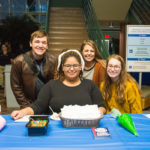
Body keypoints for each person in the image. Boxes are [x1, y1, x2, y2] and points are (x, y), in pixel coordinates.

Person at [11, 49, 106, 120]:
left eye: (75, 65)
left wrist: (96, 115)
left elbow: (101, 106)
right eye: (67, 66)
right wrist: (22, 112)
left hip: (86, 128)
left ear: (80, 67)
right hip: (56, 132)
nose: (72, 69)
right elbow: (37, 106)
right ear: (62, 67)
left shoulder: (90, 85)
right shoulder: (50, 86)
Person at [10, 30, 57, 108]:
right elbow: (16, 86)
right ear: (30, 43)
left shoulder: (54, 60)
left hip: (49, 106)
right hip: (28, 105)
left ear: (47, 45)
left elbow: (56, 84)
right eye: (37, 42)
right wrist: (26, 106)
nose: (40, 45)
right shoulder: (19, 61)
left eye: (44, 42)